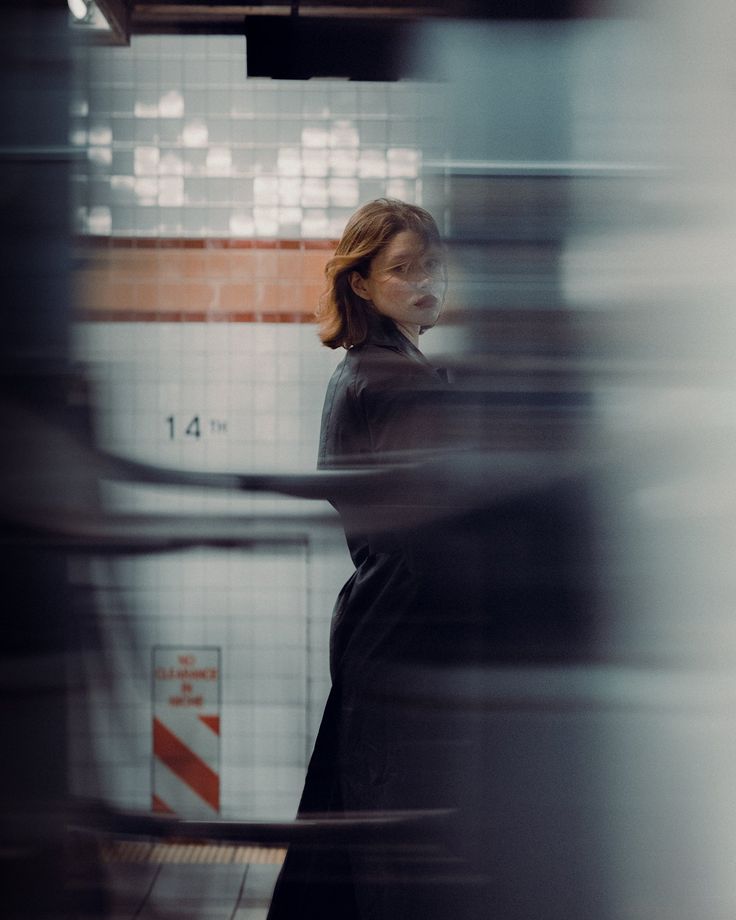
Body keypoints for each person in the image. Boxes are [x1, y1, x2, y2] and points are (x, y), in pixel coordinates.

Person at [266, 199, 456, 920]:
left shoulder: (366, 369)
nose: (425, 281)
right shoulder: (392, 380)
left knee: (348, 833)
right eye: (403, 269)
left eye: (432, 265)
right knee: (390, 852)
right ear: (363, 283)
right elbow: (439, 532)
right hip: (406, 632)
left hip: (376, 622)